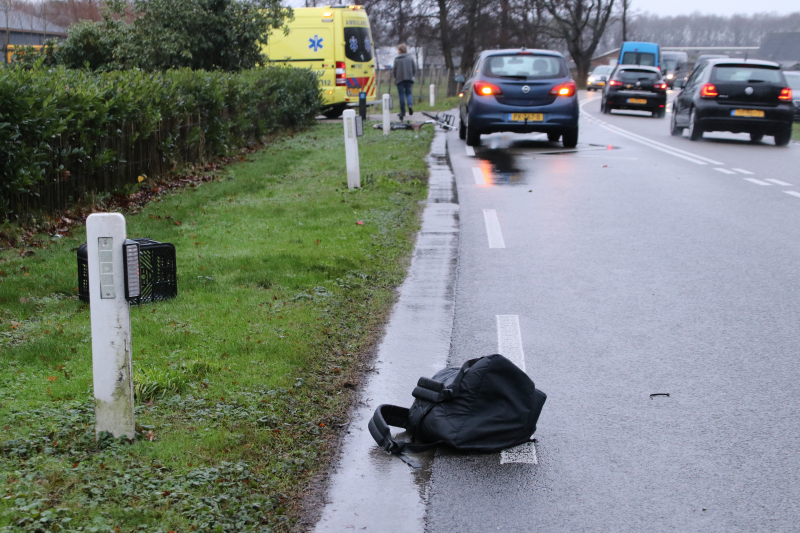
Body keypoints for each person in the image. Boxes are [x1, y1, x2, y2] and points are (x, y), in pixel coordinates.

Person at [393, 43, 417, 121]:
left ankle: (403, 111)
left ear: (400, 51)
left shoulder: (397, 59)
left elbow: (394, 70)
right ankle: (410, 105)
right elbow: (414, 68)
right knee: (409, 94)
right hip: (409, 79)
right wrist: (412, 76)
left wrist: (396, 77)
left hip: (400, 79)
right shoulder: (410, 58)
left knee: (401, 95)